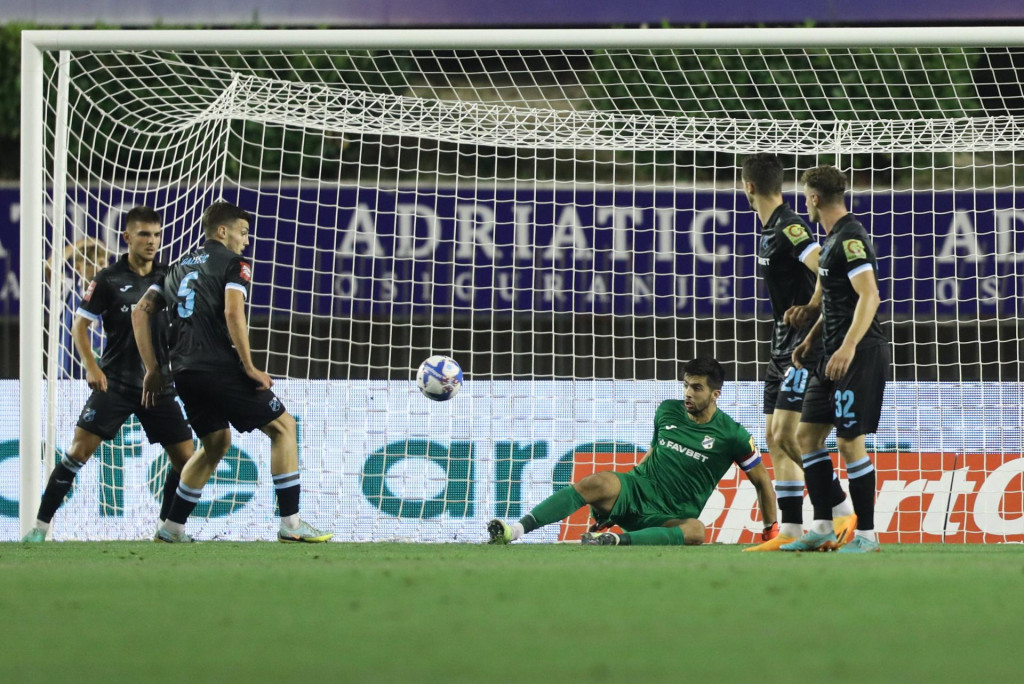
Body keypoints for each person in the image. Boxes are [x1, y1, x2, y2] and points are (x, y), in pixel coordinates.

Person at [133, 201, 331, 543]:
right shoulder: (234, 264)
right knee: (284, 427)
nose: (246, 241)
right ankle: (292, 525)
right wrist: (250, 366)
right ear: (222, 232)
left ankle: (171, 528)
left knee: (215, 443)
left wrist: (153, 369)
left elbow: (140, 311)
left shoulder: (175, 267)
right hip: (217, 366)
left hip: (184, 373)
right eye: (243, 232)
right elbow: (233, 312)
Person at [22, 207, 197, 542]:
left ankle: (167, 528)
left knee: (187, 462)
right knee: (78, 452)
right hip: (115, 383)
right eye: (144, 234)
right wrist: (91, 366)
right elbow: (80, 326)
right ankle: (40, 528)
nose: (152, 241)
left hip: (157, 385)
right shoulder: (108, 278)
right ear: (127, 237)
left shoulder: (169, 277)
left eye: (157, 235)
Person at [487, 357, 776, 546]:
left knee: (696, 531)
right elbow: (654, 451)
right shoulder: (667, 411)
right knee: (599, 481)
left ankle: (615, 541)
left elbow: (763, 482)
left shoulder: (733, 435)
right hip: (637, 491)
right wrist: (622, 491)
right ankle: (515, 531)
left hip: (671, 514)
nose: (688, 393)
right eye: (686, 385)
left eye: (697, 388)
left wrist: (770, 530)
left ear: (716, 394)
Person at [740, 153, 857, 552]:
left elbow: (823, 263)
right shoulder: (770, 229)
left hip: (803, 346)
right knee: (774, 439)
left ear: (749, 187)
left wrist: (816, 310)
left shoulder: (790, 227)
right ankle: (790, 528)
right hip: (779, 344)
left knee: (790, 436)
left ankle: (842, 511)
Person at [780, 165, 890, 553]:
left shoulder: (851, 238)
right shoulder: (830, 241)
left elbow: (869, 296)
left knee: (848, 442)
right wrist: (812, 338)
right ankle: (824, 526)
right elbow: (836, 301)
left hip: (858, 353)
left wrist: (846, 347)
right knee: (806, 437)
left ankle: (867, 536)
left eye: (804, 196)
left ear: (814, 198)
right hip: (828, 353)